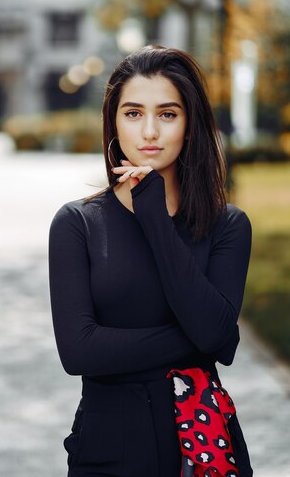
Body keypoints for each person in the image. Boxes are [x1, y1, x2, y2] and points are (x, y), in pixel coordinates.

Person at [48, 45, 253, 477]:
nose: (150, 132)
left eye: (168, 114)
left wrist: (155, 216)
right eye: (134, 113)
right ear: (114, 123)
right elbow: (79, 352)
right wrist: (205, 340)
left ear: (190, 125)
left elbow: (215, 332)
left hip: (203, 449)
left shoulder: (227, 225)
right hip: (107, 451)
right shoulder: (77, 225)